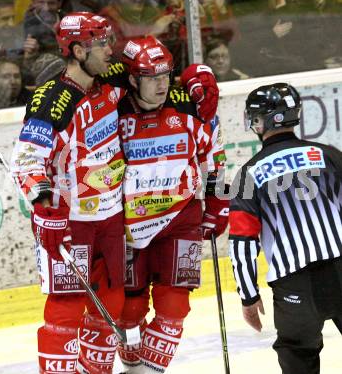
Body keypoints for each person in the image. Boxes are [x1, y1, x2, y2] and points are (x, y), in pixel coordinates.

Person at [10, 12, 129, 374]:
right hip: (70, 221)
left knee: (111, 301)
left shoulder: (112, 79)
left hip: (109, 217)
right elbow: (27, 161)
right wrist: (45, 211)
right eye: (101, 44)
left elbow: (152, 75)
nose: (110, 50)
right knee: (65, 308)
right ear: (78, 50)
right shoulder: (53, 100)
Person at [116, 36, 229, 373]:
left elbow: (215, 161)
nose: (161, 85)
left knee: (175, 305)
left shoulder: (190, 106)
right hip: (127, 228)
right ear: (133, 79)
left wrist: (218, 205)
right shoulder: (113, 111)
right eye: (152, 78)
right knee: (129, 311)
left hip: (180, 218)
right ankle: (132, 363)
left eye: (166, 76)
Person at [228, 83, 342, 374]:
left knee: (298, 355)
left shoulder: (249, 175)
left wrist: (249, 296)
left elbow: (242, 242)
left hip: (293, 284)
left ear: (257, 121)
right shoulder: (329, 155)